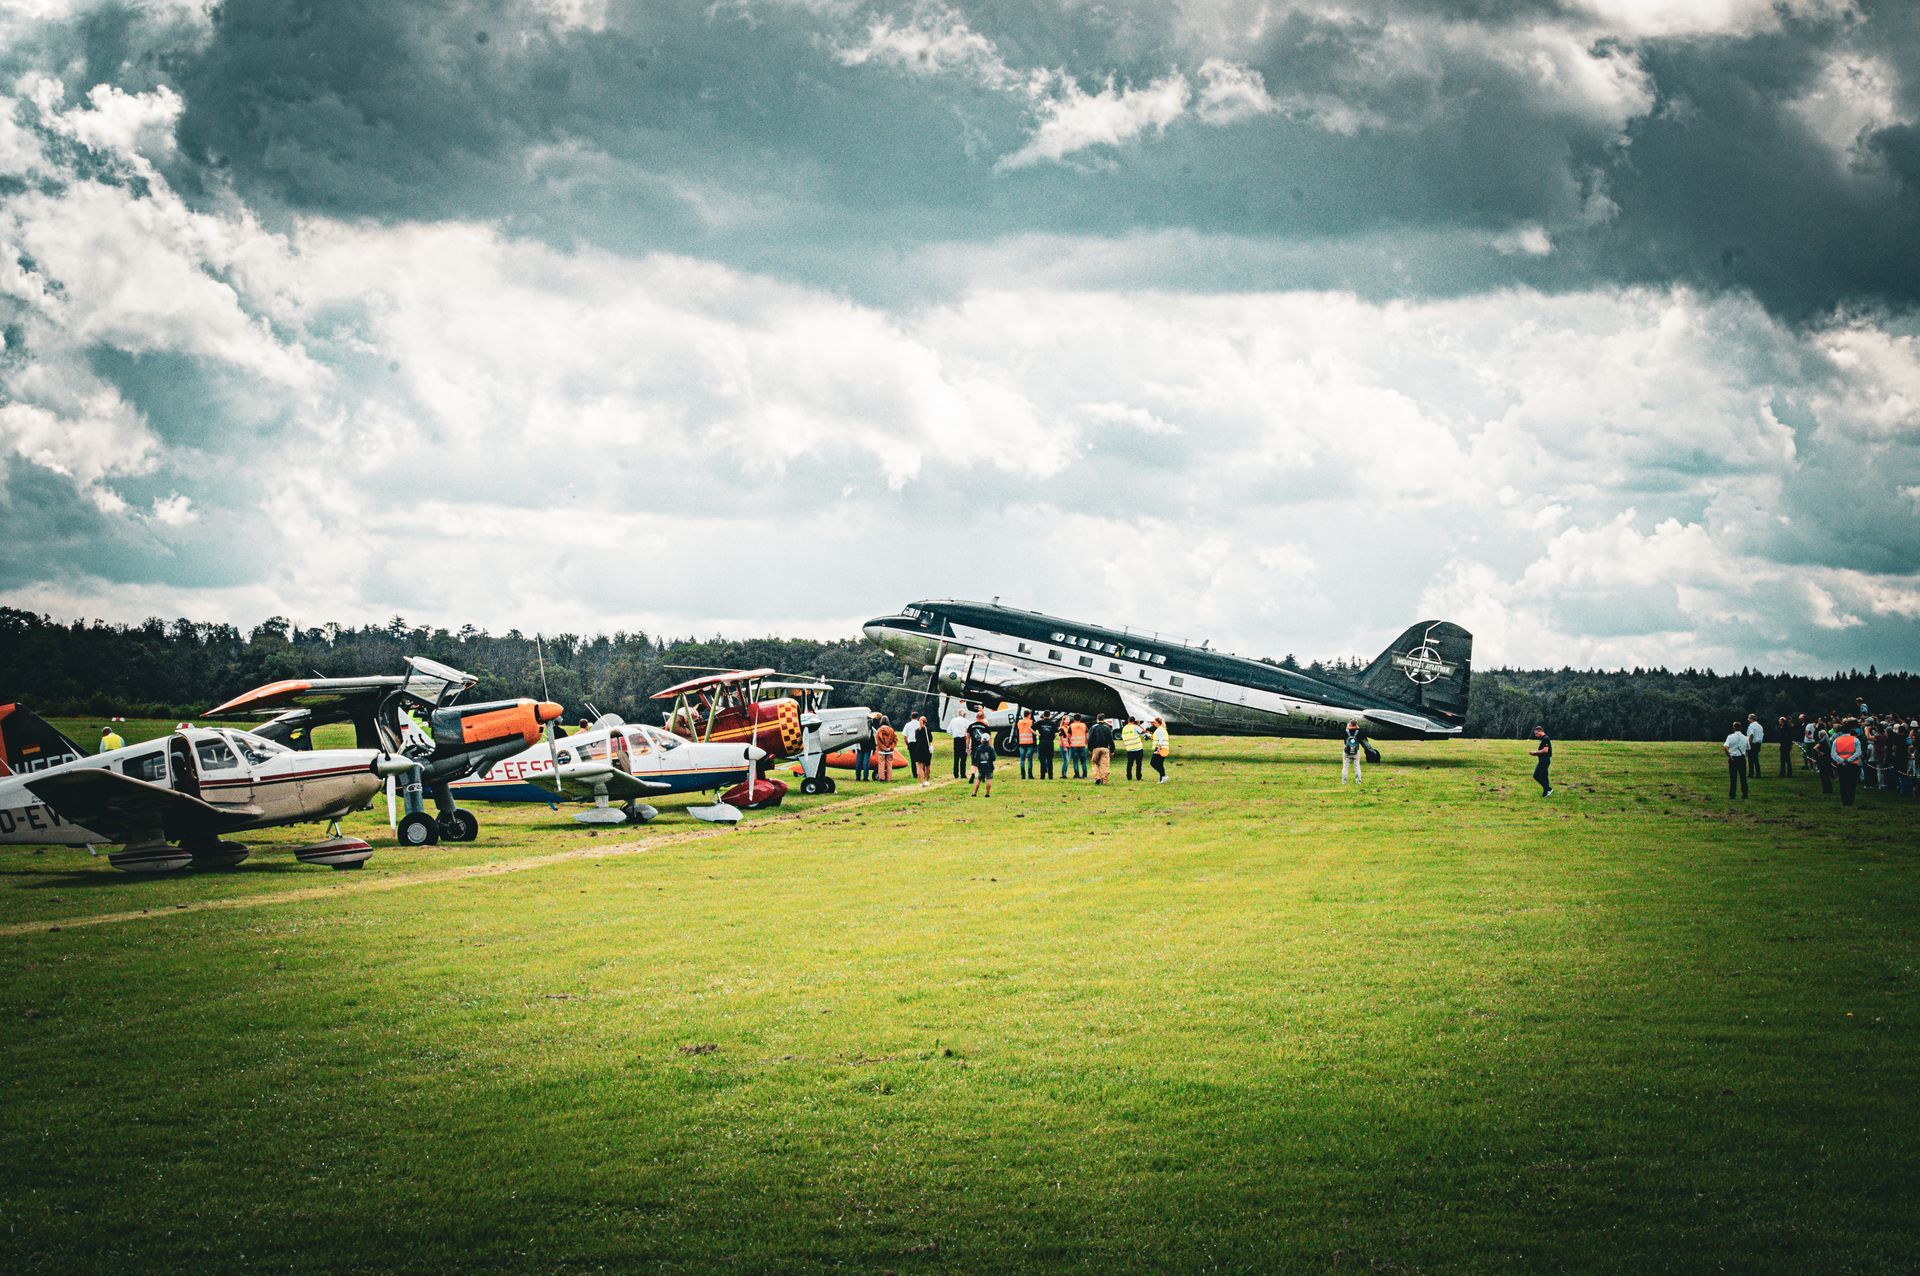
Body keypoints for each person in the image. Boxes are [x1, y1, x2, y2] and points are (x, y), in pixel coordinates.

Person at [1831, 720, 1862, 807]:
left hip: (1841, 764)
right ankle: (1850, 801)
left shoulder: (1836, 740)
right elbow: (1858, 752)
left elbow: (1833, 754)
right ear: (1849, 730)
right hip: (1853, 764)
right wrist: (1849, 760)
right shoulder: (1855, 740)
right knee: (1852, 783)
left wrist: (1842, 760)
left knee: (1843, 783)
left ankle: (1844, 801)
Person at [967, 709, 997, 796]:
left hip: (975, 748)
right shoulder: (986, 727)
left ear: (976, 717)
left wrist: (967, 747)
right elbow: (990, 739)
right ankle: (987, 793)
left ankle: (973, 774)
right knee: (989, 778)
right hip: (988, 762)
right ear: (983, 717)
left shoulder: (971, 726)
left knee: (974, 763)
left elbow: (968, 737)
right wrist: (991, 747)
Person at [903, 711, 933, 788]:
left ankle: (920, 782)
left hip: (917, 748)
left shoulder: (916, 730)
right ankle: (926, 781)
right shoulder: (927, 730)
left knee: (918, 764)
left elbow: (907, 736)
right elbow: (930, 739)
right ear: (925, 722)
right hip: (926, 749)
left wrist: (908, 744)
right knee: (927, 765)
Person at [1722, 719, 1750, 799]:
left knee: (1733, 778)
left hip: (1733, 758)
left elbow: (1725, 747)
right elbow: (1748, 749)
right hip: (1741, 758)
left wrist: (1730, 757)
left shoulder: (1730, 737)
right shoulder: (1745, 738)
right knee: (1743, 777)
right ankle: (1745, 794)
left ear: (1734, 728)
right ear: (1741, 728)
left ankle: (1732, 795)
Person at [1087, 716, 1114, 784]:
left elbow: (1090, 739)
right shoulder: (1107, 728)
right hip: (1105, 748)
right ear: (1103, 719)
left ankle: (1097, 777)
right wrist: (1112, 750)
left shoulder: (1093, 728)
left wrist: (1090, 749)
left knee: (1095, 763)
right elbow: (1111, 740)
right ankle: (1104, 780)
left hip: (1096, 748)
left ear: (1097, 719)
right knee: (1104, 765)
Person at [948, 707, 971, 780]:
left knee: (956, 757)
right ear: (963, 714)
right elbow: (969, 729)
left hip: (956, 739)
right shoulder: (966, 721)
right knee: (963, 758)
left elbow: (949, 731)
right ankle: (963, 774)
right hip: (963, 739)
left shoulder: (953, 720)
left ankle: (955, 774)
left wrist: (954, 733)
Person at [1529, 726, 1553, 797]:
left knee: (1536, 775)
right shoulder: (1542, 739)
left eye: (1536, 734)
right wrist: (1535, 754)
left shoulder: (1545, 738)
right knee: (1544, 776)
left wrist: (1535, 752)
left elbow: (1545, 750)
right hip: (1543, 759)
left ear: (1540, 731)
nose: (1536, 735)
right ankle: (1546, 793)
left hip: (1544, 760)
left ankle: (1548, 789)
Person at [1035, 713, 1059, 780]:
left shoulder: (1040, 722)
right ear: (1049, 715)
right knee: (1050, 760)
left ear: (1044, 715)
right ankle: (1050, 776)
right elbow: (1057, 731)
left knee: (1042, 760)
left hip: (1042, 742)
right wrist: (1054, 736)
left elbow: (1030, 728)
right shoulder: (1052, 723)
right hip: (1050, 743)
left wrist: (1037, 734)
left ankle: (1042, 776)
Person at [873, 717, 897, 783]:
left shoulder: (879, 730)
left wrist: (884, 748)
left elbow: (878, 741)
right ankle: (889, 779)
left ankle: (881, 778)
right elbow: (895, 740)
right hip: (890, 751)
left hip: (881, 751)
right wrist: (891, 747)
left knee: (881, 764)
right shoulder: (891, 730)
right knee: (889, 765)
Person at [1015, 710, 1037, 779]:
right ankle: (1030, 775)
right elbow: (1034, 732)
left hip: (1021, 742)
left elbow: (1017, 732)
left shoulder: (1019, 722)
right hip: (1030, 742)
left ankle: (1023, 775)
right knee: (1029, 760)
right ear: (1029, 715)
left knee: (1022, 760)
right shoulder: (1031, 722)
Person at [1341, 720, 1364, 785]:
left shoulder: (1346, 731)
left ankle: (1344, 782)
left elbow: (1342, 736)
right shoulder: (1359, 731)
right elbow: (1362, 736)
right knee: (1357, 767)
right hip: (1356, 751)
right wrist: (1358, 728)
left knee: (1345, 767)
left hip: (1347, 751)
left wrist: (1347, 728)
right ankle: (1358, 781)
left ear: (1350, 724)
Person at [1067, 714, 1089, 778]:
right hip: (1082, 745)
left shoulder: (1071, 725)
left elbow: (1068, 736)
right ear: (1080, 719)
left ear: (1074, 719)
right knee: (1083, 761)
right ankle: (1085, 775)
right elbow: (1087, 736)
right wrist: (1085, 742)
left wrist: (1070, 743)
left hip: (1074, 745)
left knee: (1075, 761)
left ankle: (1077, 775)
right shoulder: (1084, 725)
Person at [1149, 717, 1170, 782]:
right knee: (1160, 764)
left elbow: (1161, 739)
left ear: (1157, 723)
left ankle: (1164, 776)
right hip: (1164, 748)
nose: (1153, 724)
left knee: (1153, 763)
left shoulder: (1160, 729)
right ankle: (1162, 779)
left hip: (1160, 748)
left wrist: (1158, 748)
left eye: (1154, 722)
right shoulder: (1162, 729)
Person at [1744, 714, 1764, 779]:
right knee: (1756, 759)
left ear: (1752, 719)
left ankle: (1751, 774)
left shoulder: (1751, 726)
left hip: (1752, 744)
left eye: (1749, 718)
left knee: (1750, 760)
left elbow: (1751, 736)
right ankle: (1758, 774)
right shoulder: (1760, 726)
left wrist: (1748, 745)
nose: (1748, 720)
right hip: (1758, 744)